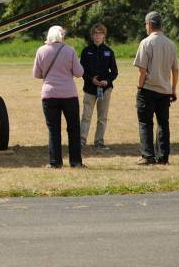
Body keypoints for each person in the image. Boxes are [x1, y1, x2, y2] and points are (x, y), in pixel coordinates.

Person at [32, 25, 85, 169]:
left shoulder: (41, 51)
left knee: (53, 129)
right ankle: (76, 161)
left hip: (49, 94)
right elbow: (79, 73)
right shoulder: (70, 50)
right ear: (62, 36)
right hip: (69, 94)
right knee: (73, 129)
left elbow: (36, 74)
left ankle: (55, 162)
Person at [133, 11, 179, 166]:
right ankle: (163, 157)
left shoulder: (146, 43)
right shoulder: (171, 44)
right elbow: (175, 70)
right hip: (165, 91)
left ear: (150, 25)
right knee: (163, 124)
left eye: (146, 24)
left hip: (148, 89)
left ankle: (148, 156)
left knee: (145, 123)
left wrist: (139, 87)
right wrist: (173, 90)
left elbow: (142, 70)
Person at [79, 23, 118, 151]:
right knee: (86, 116)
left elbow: (114, 72)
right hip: (89, 89)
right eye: (95, 33)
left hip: (105, 90)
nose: (97, 36)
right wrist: (92, 80)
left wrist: (107, 81)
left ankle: (99, 142)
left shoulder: (109, 52)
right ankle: (81, 141)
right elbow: (81, 71)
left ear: (104, 35)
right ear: (92, 36)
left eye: (100, 33)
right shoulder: (86, 51)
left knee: (102, 117)